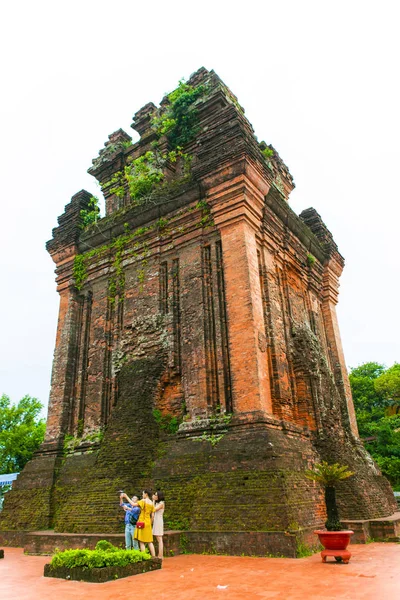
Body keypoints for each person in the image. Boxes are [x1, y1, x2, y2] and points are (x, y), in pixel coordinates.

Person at [120, 490, 155, 557]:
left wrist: (126, 496)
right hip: (148, 522)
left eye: (143, 494)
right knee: (150, 541)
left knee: (141, 542)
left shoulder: (143, 501)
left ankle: (144, 556)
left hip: (141, 522)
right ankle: (154, 557)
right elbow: (153, 516)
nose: (142, 495)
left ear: (146, 494)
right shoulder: (151, 503)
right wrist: (150, 523)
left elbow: (133, 504)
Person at [152, 490, 165, 559]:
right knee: (158, 538)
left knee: (159, 539)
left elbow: (153, 509)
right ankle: (160, 554)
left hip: (159, 521)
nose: (155, 496)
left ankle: (160, 555)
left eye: (156, 495)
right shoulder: (158, 503)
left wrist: (153, 500)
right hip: (156, 521)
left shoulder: (161, 503)